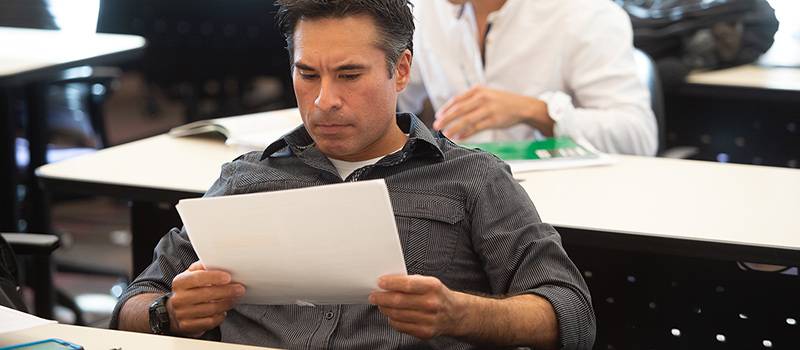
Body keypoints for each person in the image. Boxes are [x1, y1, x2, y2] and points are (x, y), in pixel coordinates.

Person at [110, 1, 595, 349]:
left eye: (348, 75)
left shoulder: (471, 179)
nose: (324, 101)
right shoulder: (245, 180)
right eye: (307, 74)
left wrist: (463, 314)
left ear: (400, 71)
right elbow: (131, 304)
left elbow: (570, 312)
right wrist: (167, 313)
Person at [399, 0, 658, 155]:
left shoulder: (585, 13)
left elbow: (637, 137)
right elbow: (401, 103)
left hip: (565, 205)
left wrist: (537, 112)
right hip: (456, 199)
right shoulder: (424, 9)